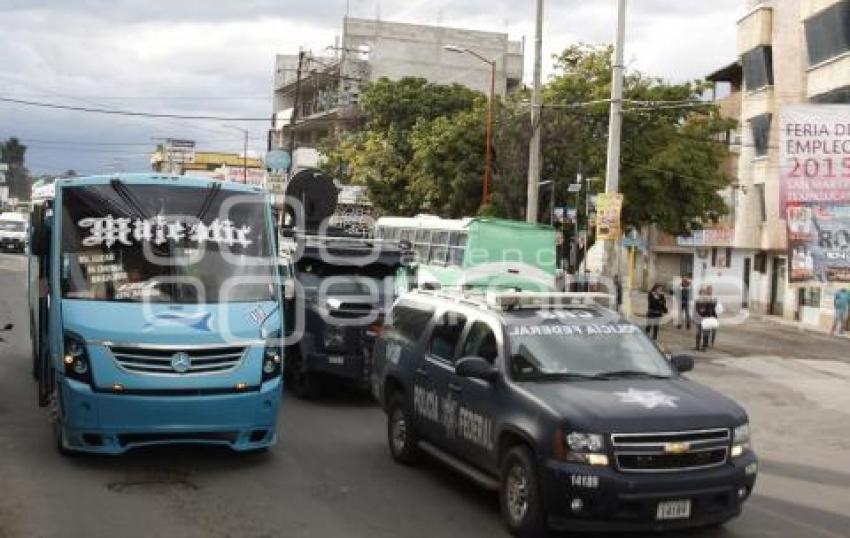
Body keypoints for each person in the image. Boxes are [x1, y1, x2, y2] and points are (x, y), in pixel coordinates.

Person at [694, 286, 718, 351]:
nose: (703, 294)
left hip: (706, 319)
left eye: (703, 293)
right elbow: (696, 309)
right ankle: (698, 346)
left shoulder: (710, 300)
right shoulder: (697, 300)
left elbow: (711, 308)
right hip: (699, 319)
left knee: (705, 332)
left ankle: (704, 347)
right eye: (701, 293)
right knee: (698, 332)